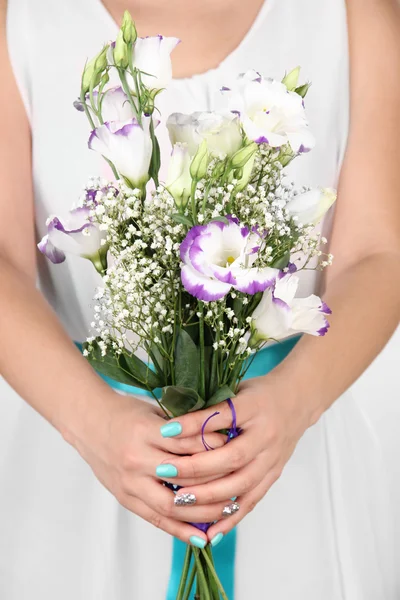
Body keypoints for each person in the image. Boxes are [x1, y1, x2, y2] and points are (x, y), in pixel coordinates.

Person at [0, 0, 399, 598]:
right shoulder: (21, 19)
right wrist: (96, 425)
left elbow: (377, 255)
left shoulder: (355, 16)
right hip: (79, 462)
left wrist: (294, 404)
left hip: (285, 460)